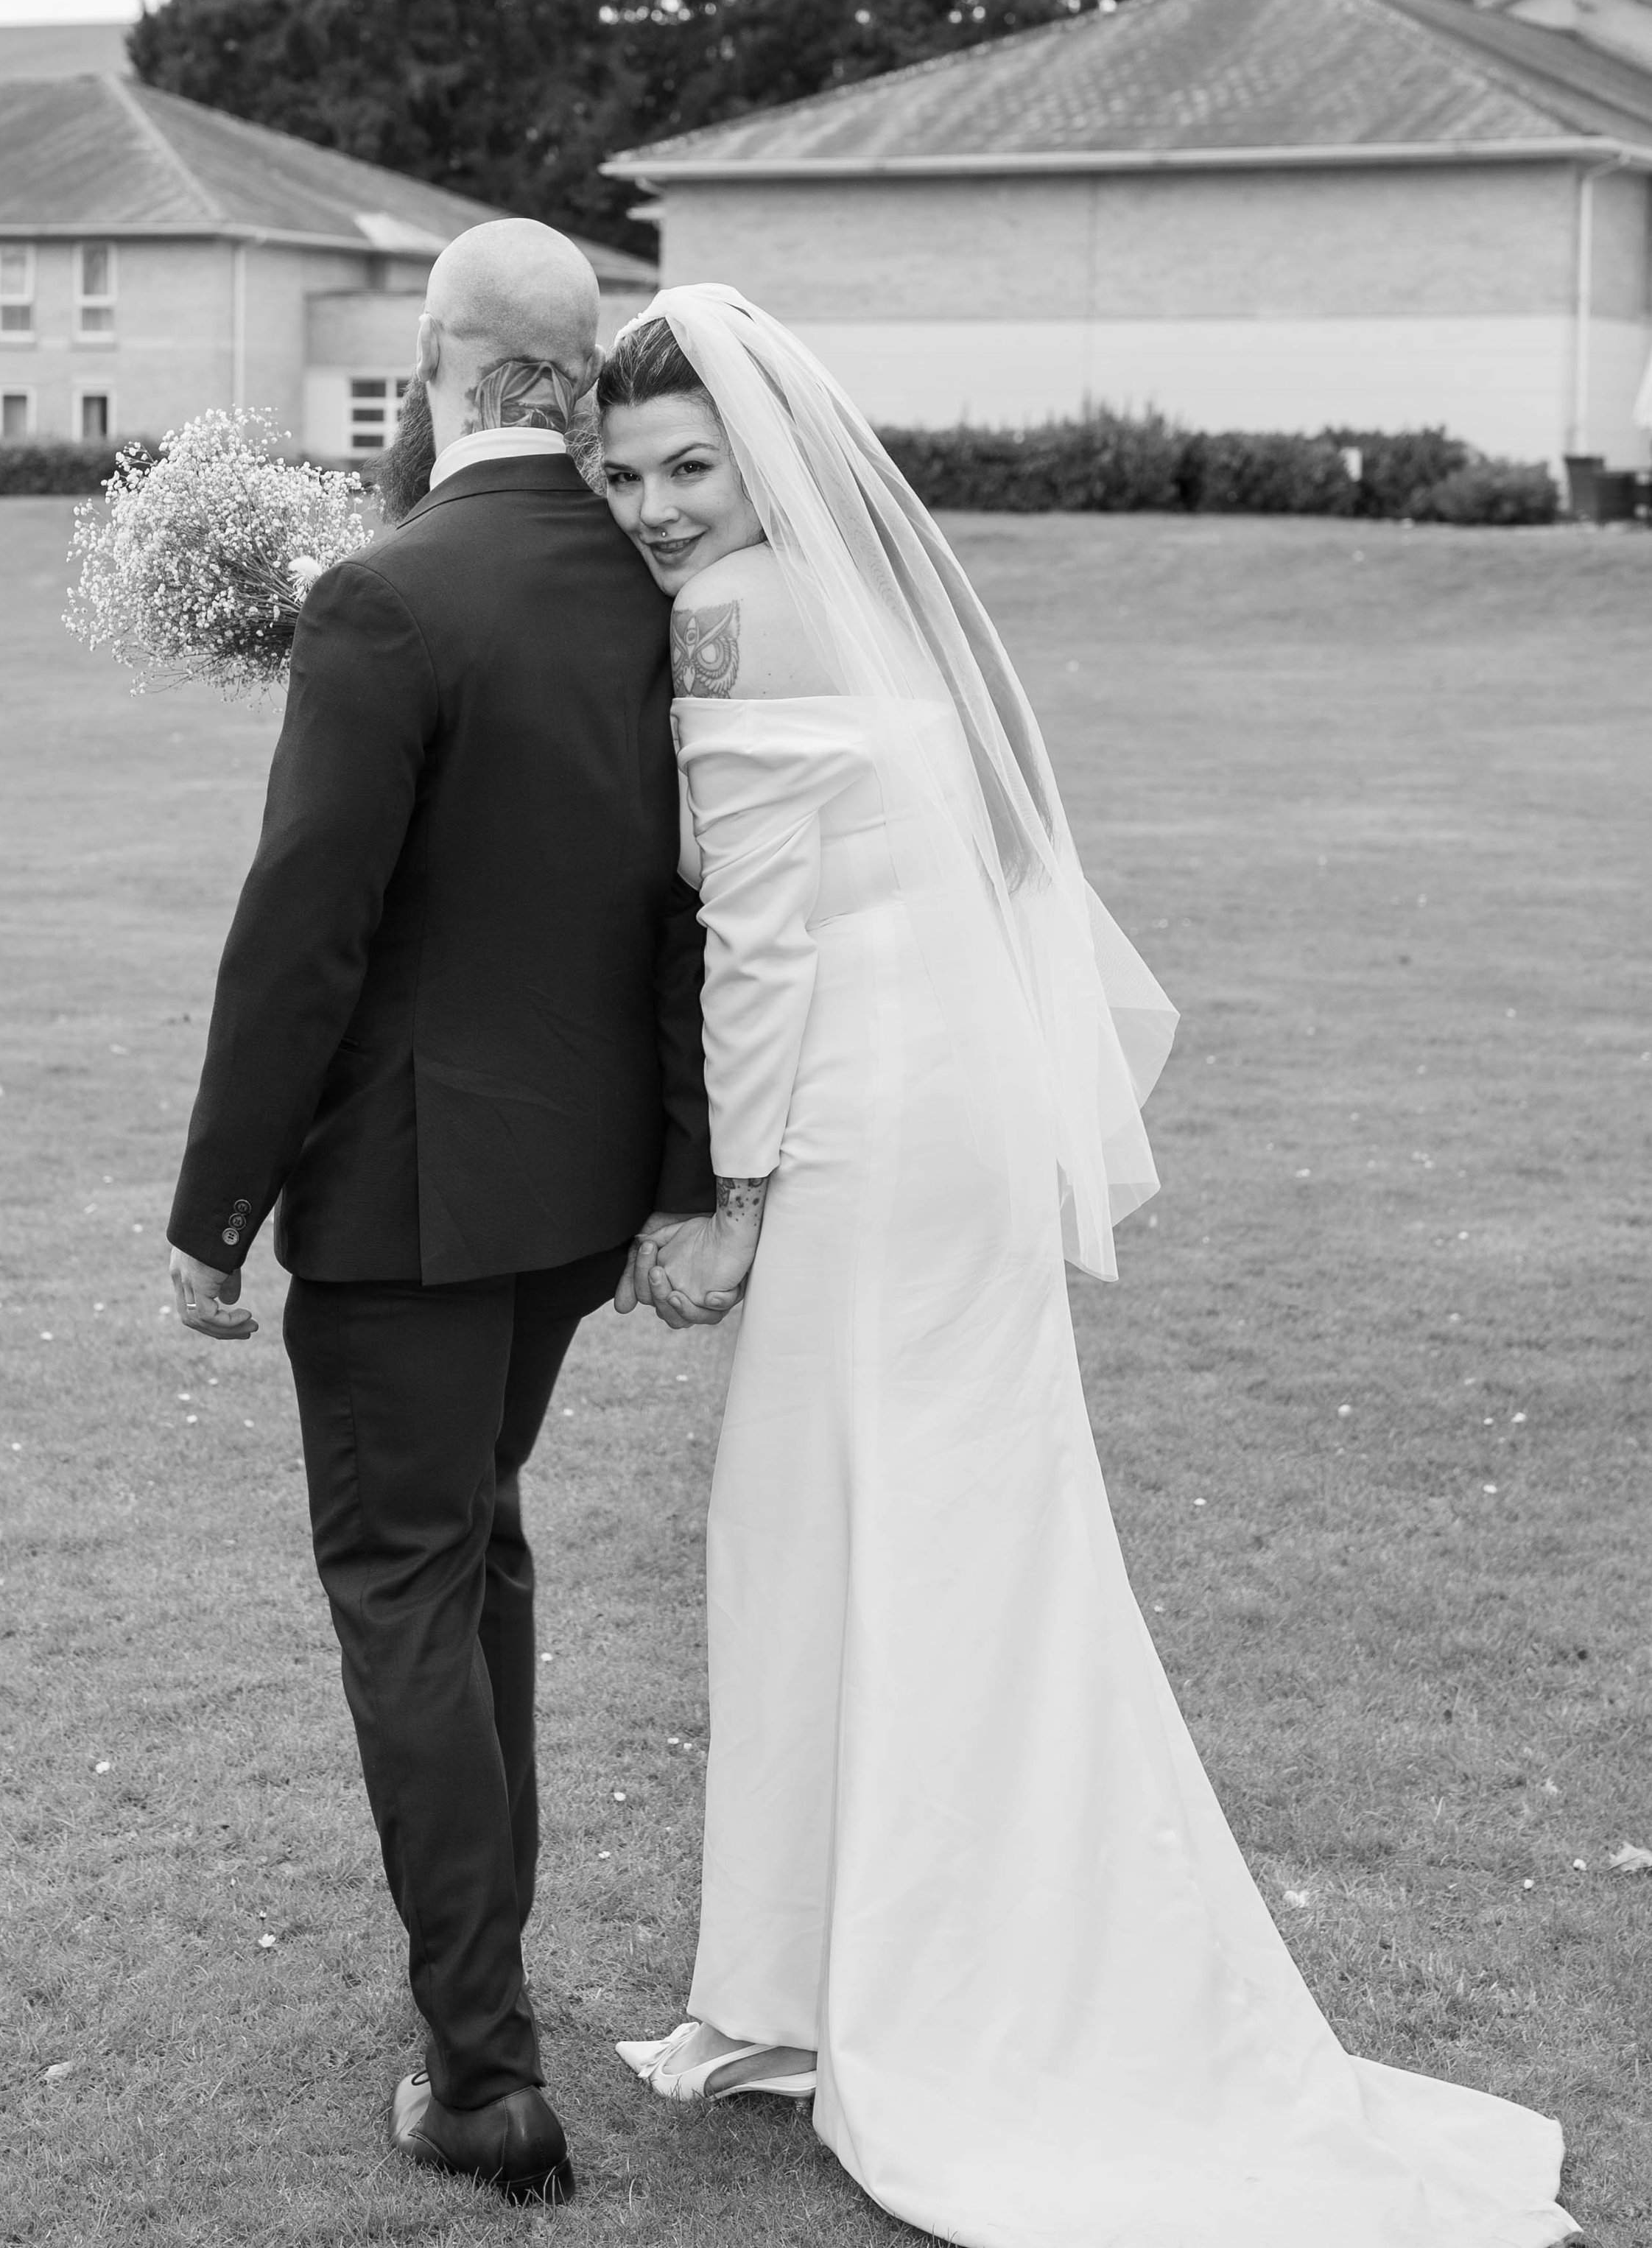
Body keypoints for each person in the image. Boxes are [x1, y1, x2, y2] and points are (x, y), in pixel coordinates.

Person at [596, 288, 1576, 2248]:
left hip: (860, 1131)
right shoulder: (864, 602)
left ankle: (895, 1994)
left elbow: (762, 949)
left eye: (690, 464)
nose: (655, 507)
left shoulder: (732, 618)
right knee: (938, 1530)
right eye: (625, 475)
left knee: (839, 1530)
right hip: (945, 1111)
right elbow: (1001, 858)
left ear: (764, 452)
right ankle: (833, 1981)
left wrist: (729, 1203)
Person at [164, 219, 714, 2207]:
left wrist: (214, 1208)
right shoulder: (665, 590)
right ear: (567, 388)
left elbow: (300, 936)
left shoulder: (388, 602)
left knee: (406, 1583)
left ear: (458, 367)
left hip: (405, 1201)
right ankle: (469, 2005)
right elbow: (685, 922)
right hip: (569, 1204)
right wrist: (674, 1180)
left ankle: (480, 2073)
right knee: (473, 1557)